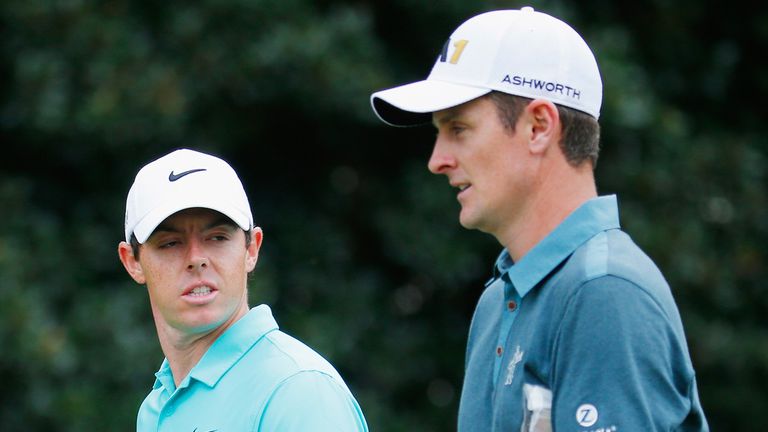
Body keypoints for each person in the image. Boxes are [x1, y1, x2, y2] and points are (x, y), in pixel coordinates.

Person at [370, 7, 708, 432]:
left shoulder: (604, 292)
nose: (437, 161)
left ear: (538, 127)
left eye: (458, 128)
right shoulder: (500, 299)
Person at [117, 148, 369, 431]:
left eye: (217, 237)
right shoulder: (155, 408)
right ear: (132, 262)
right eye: (170, 243)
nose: (196, 258)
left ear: (252, 249)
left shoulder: (298, 391)